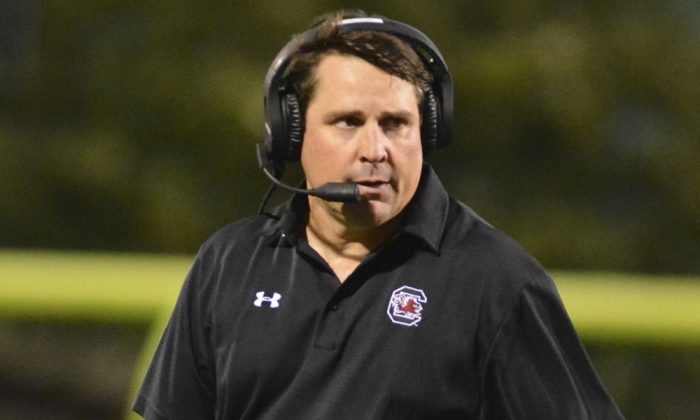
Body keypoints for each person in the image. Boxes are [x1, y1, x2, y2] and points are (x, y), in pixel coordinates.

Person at [133, 10, 624, 419]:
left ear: (426, 133)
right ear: (292, 132)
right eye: (348, 122)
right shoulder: (229, 264)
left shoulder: (498, 282)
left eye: (396, 125)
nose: (376, 149)